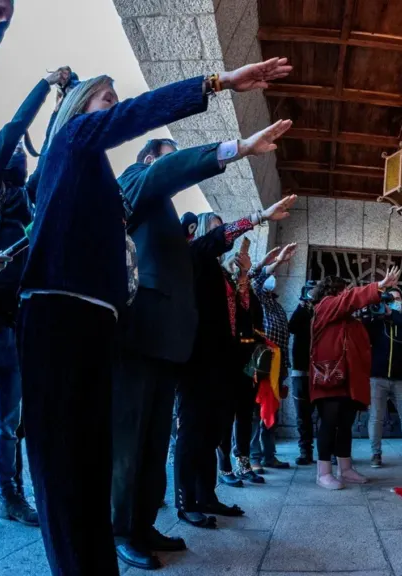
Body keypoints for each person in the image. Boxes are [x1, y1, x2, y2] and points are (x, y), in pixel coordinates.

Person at [17, 58, 290, 576]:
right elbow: (161, 157)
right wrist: (219, 87)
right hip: (64, 316)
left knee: (99, 456)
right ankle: (109, 542)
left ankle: (127, 534)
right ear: (80, 110)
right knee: (73, 463)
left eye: (117, 103)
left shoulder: (97, 179)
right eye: (107, 101)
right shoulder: (81, 144)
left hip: (102, 323)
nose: (116, 110)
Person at [111, 120, 292, 569]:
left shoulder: (166, 216)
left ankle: (145, 523)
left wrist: (259, 222)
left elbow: (207, 249)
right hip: (141, 335)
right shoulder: (134, 184)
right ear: (150, 160)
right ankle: (120, 529)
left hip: (171, 343)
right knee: (133, 442)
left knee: (154, 442)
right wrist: (237, 150)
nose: (174, 162)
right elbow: (205, 244)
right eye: (167, 154)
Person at [174, 196, 295, 530]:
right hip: (197, 360)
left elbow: (243, 308)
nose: (221, 236)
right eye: (215, 230)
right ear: (199, 231)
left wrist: (248, 273)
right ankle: (186, 501)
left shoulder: (218, 272)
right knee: (193, 431)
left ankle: (207, 495)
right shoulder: (193, 257)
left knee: (214, 429)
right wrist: (258, 217)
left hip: (223, 362)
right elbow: (213, 240)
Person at [0, 68, 69, 527]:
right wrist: (43, 84)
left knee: (7, 423)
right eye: (14, 152)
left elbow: (52, 154)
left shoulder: (28, 200)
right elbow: (15, 128)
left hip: (14, 326)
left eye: (23, 153)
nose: (19, 153)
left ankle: (10, 495)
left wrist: (61, 105)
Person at [310, 268, 399, 490]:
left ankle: (345, 468)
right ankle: (323, 473)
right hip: (330, 377)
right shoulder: (325, 306)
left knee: (345, 424)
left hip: (349, 381)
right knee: (329, 424)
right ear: (334, 291)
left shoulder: (349, 319)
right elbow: (347, 301)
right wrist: (377, 287)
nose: (348, 293)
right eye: (345, 290)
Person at [216, 243, 266, 487]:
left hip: (248, 358)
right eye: (237, 265)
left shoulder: (248, 292)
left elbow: (250, 313)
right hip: (228, 357)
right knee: (226, 414)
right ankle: (224, 466)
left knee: (246, 413)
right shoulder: (224, 287)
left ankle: (243, 463)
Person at [247, 243, 297, 473]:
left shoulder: (274, 304)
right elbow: (255, 281)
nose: (272, 278)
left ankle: (269, 455)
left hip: (277, 367)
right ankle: (253, 456)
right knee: (257, 412)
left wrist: (285, 367)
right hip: (261, 365)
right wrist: (275, 262)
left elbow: (283, 339)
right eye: (271, 275)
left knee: (272, 410)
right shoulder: (257, 297)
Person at [366, 286, 402, 468]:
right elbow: (363, 329)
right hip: (377, 378)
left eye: (397, 299)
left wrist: (392, 314)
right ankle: (376, 454)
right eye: (389, 299)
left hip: (401, 379)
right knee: (376, 417)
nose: (394, 302)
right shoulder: (376, 322)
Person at [288, 280, 320, 465]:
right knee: (303, 416)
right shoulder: (301, 311)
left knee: (324, 415)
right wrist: (302, 306)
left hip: (320, 371)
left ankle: (328, 451)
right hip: (301, 370)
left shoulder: (323, 311)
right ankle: (305, 451)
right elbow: (291, 327)